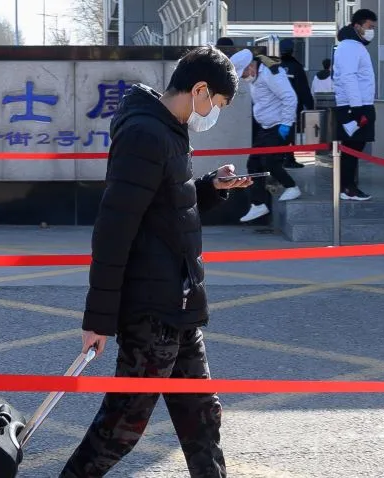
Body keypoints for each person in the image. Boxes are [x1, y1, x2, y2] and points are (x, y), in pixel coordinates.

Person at [60, 45, 251, 478]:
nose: (213, 114)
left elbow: (166, 205)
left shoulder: (168, 129)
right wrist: (98, 318)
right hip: (152, 308)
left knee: (202, 416)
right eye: (216, 104)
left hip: (177, 303)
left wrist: (212, 187)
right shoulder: (147, 134)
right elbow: (114, 228)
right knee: (123, 424)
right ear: (199, 89)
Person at [229, 49, 302, 223]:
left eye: (244, 72)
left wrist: (286, 123)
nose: (244, 77)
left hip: (279, 126)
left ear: (251, 66)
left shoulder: (271, 73)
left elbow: (289, 97)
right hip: (267, 127)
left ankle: (292, 187)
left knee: (270, 162)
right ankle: (258, 204)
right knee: (253, 163)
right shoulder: (256, 76)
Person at [333, 8, 378, 201]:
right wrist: (357, 108)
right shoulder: (350, 46)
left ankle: (347, 186)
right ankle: (347, 188)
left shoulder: (355, 46)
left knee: (354, 148)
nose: (371, 31)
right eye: (369, 27)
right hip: (355, 105)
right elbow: (349, 77)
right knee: (352, 148)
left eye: (374, 27)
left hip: (359, 103)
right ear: (357, 26)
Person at [278, 39, 314, 169]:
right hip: (293, 106)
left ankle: (282, 158)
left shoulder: (276, 66)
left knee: (279, 133)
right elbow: (303, 88)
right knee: (290, 132)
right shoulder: (297, 67)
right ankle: (289, 158)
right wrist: (310, 106)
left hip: (276, 106)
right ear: (293, 50)